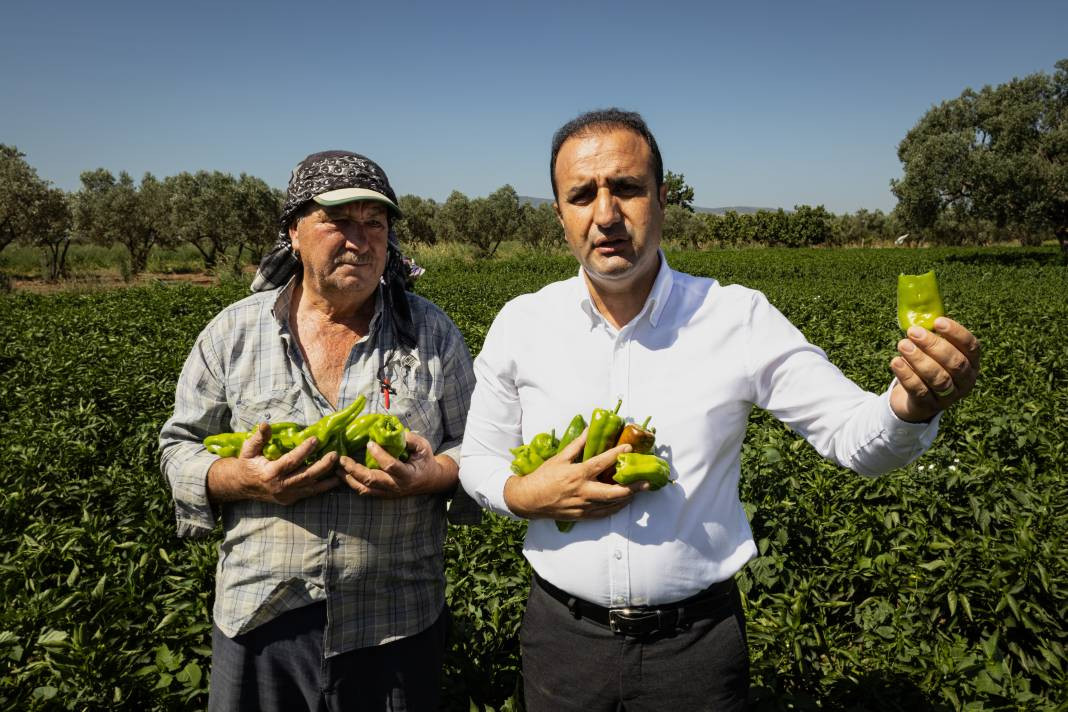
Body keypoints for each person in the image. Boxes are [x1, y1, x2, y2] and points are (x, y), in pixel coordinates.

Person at [459, 109, 980, 711]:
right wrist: (525, 495)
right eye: (582, 195)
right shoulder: (523, 324)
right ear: (560, 213)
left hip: (695, 649)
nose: (605, 214)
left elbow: (852, 436)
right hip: (561, 641)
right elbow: (478, 459)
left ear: (662, 195)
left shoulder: (737, 317)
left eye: (626, 188)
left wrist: (910, 405)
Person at [160, 150, 479, 712]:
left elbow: (476, 450)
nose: (359, 239)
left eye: (374, 224)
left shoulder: (431, 332)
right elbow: (178, 448)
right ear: (294, 230)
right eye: (338, 221)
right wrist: (240, 477)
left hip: (395, 623)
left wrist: (429, 475)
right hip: (262, 619)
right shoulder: (233, 332)